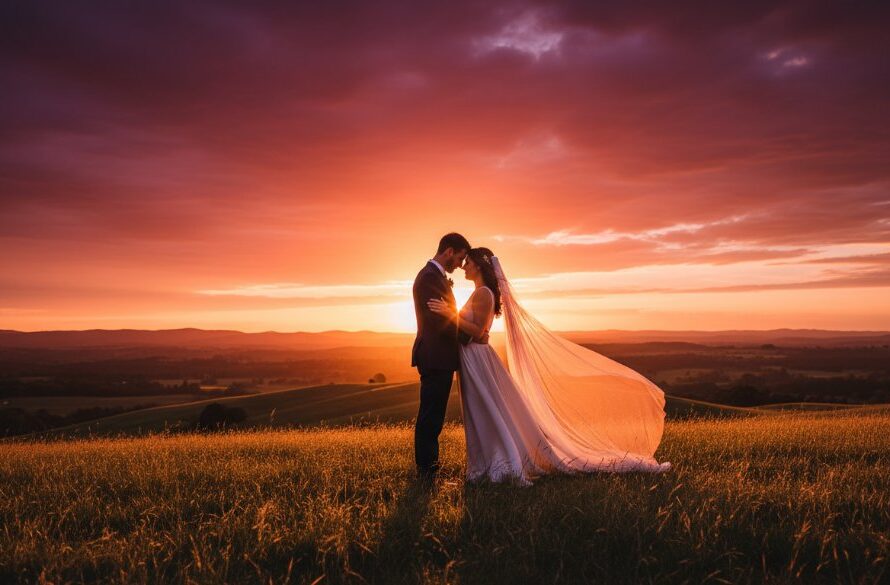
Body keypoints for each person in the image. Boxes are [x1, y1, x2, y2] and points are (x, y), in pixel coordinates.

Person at [428, 247, 671, 485]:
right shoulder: (480, 292)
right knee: (482, 411)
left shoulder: (483, 293)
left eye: (468, 262)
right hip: (473, 358)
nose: (464, 267)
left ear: (479, 266)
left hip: (478, 359)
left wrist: (450, 314)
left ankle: (502, 463)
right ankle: (488, 461)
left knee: (486, 410)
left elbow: (478, 331)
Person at [411, 232, 472, 479]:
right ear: (449, 251)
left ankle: (429, 466)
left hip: (438, 355)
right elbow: (439, 321)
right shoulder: (429, 278)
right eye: (459, 258)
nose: (460, 264)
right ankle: (427, 471)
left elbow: (445, 314)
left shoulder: (434, 276)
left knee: (434, 415)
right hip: (435, 355)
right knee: (431, 417)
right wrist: (470, 336)